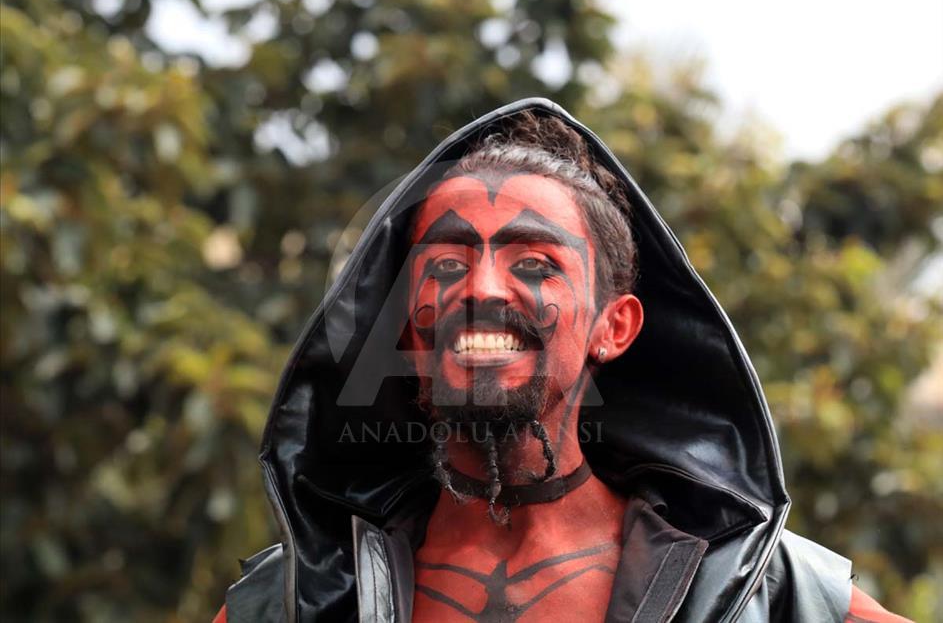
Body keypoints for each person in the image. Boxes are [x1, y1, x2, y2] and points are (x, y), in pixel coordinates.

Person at [214, 99, 909, 622]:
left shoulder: (766, 588)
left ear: (614, 326)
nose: (482, 290)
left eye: (536, 264)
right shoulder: (299, 597)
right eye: (447, 264)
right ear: (405, 333)